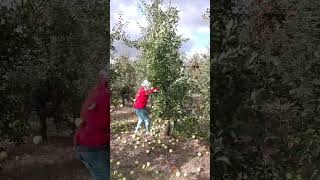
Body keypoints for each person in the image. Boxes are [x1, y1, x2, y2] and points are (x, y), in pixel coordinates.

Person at [73, 70, 110, 180]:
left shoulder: (96, 92)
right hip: (93, 147)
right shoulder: (103, 95)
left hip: (85, 144)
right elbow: (100, 123)